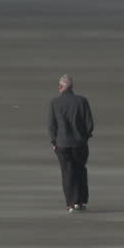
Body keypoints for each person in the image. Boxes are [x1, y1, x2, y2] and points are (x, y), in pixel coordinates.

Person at [48, 75, 94, 213]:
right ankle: (81, 201)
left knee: (67, 173)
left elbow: (51, 126)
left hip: (62, 144)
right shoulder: (82, 101)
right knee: (80, 171)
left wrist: (54, 141)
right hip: (79, 143)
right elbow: (89, 124)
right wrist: (84, 137)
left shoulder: (54, 103)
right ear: (72, 87)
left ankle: (71, 203)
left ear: (62, 87)